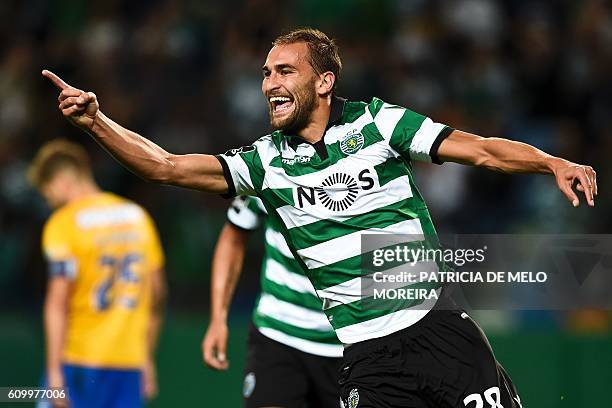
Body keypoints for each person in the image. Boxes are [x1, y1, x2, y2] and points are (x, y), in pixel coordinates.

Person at [42, 27, 597, 407]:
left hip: (440, 330)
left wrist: (550, 162)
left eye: (285, 71)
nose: (269, 84)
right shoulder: (265, 162)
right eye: (265, 74)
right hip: (365, 355)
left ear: (324, 81)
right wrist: (97, 123)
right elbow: (164, 167)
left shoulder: (380, 125)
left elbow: (479, 149)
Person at [29, 139, 167, 408]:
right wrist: (146, 357)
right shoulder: (137, 217)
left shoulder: (64, 223)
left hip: (79, 360)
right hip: (128, 363)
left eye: (48, 194)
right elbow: (157, 295)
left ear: (60, 182)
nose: (50, 202)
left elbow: (58, 303)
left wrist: (54, 372)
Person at [202, 195, 343, 407]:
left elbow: (395, 254)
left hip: (351, 344)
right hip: (278, 335)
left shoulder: (377, 169)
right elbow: (233, 235)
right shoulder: (268, 163)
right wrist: (218, 317)